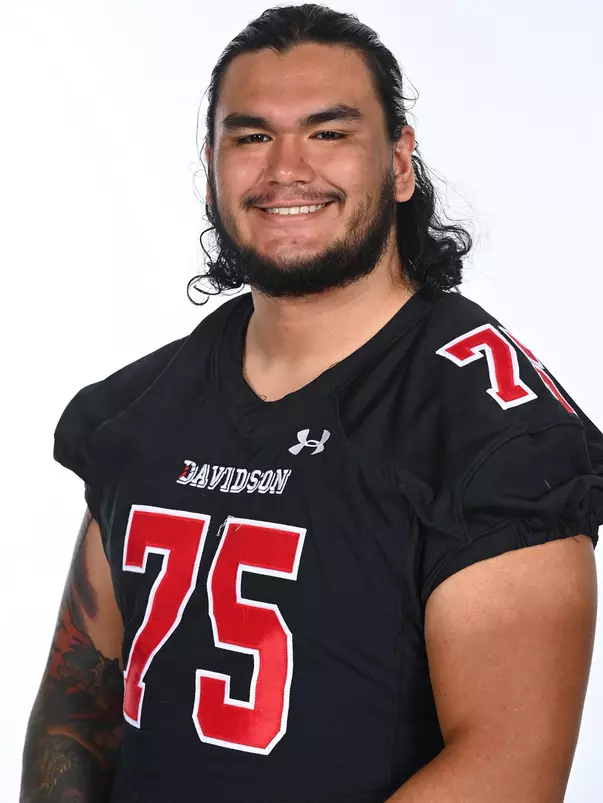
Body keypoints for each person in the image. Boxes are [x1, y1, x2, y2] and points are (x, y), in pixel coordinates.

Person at [21, 4, 601, 803]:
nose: (285, 168)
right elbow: (80, 692)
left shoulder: (491, 431)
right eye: (251, 135)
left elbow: (507, 771)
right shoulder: (139, 408)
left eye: (329, 133)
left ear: (399, 162)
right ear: (212, 162)